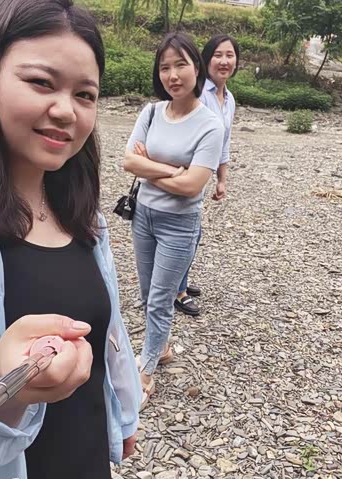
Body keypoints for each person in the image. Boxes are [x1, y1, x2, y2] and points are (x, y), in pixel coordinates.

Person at [0, 1, 141, 479]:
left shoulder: (84, 217)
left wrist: (124, 412)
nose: (66, 111)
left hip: (85, 469)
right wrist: (3, 371)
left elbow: (109, 327)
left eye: (84, 95)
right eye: (41, 83)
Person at [123, 33, 224, 409]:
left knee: (160, 300)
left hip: (179, 224)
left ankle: (146, 372)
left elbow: (192, 186)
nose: (173, 75)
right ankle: (162, 347)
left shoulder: (210, 125)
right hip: (143, 217)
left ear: (197, 67)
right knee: (147, 294)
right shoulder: (151, 112)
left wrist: (150, 166)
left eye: (181, 64)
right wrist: (170, 169)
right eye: (165, 67)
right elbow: (129, 161)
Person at [175, 34, 240, 316]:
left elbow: (224, 141)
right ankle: (177, 292)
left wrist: (222, 178)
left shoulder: (229, 99)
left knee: (193, 232)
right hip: (185, 173)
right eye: (218, 55)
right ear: (205, 60)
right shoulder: (199, 93)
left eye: (230, 55)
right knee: (186, 233)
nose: (224, 61)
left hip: (202, 175)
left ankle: (180, 281)